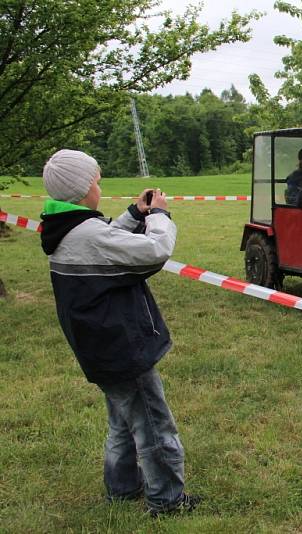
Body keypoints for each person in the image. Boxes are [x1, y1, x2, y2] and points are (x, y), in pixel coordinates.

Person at [39, 149, 199, 517]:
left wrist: (133, 214)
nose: (99, 185)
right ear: (81, 191)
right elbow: (154, 250)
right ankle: (167, 502)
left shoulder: (65, 228)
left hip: (98, 346)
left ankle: (123, 486)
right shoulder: (87, 234)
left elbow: (104, 240)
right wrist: (158, 215)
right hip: (122, 345)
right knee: (154, 427)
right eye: (96, 180)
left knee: (122, 419)